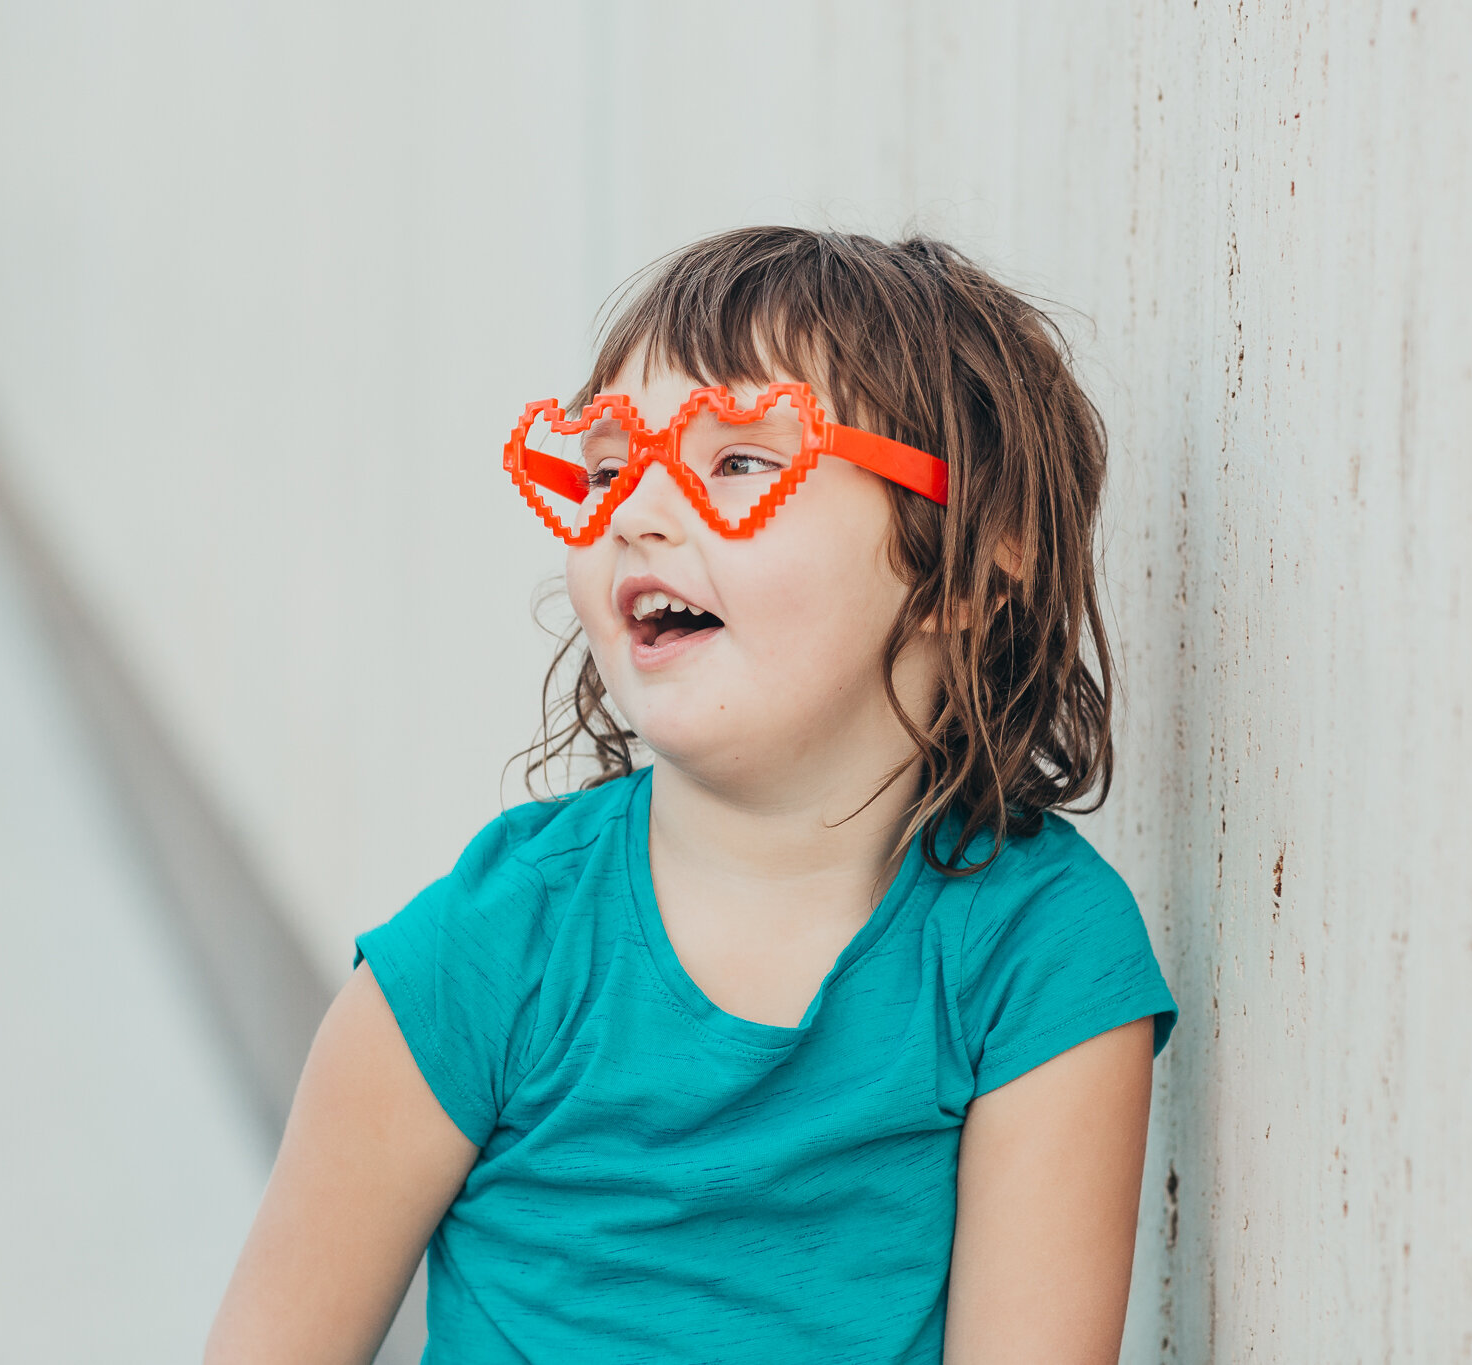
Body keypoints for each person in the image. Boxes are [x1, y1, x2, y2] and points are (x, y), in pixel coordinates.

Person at [205, 226, 1179, 1364]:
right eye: (611, 467)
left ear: (966, 563)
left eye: (739, 463)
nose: (636, 513)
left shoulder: (1037, 958)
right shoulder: (488, 947)